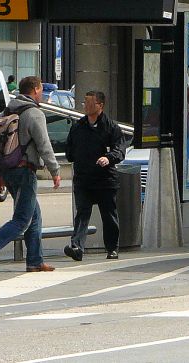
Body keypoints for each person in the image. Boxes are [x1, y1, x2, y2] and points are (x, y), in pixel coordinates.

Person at [0, 75, 61, 276]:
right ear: (35, 90)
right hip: (25, 170)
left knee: (34, 215)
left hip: (8, 170)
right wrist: (55, 171)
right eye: (41, 90)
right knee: (23, 219)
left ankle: (35, 261)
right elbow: (44, 145)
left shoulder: (8, 110)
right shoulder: (34, 113)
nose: (42, 94)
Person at [64, 90, 127, 261]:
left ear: (100, 105)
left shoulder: (111, 127)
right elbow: (69, 151)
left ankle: (112, 248)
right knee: (82, 213)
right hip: (83, 178)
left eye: (90, 103)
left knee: (108, 215)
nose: (86, 106)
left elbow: (120, 150)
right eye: (85, 103)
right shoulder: (78, 127)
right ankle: (76, 246)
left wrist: (108, 158)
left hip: (105, 180)